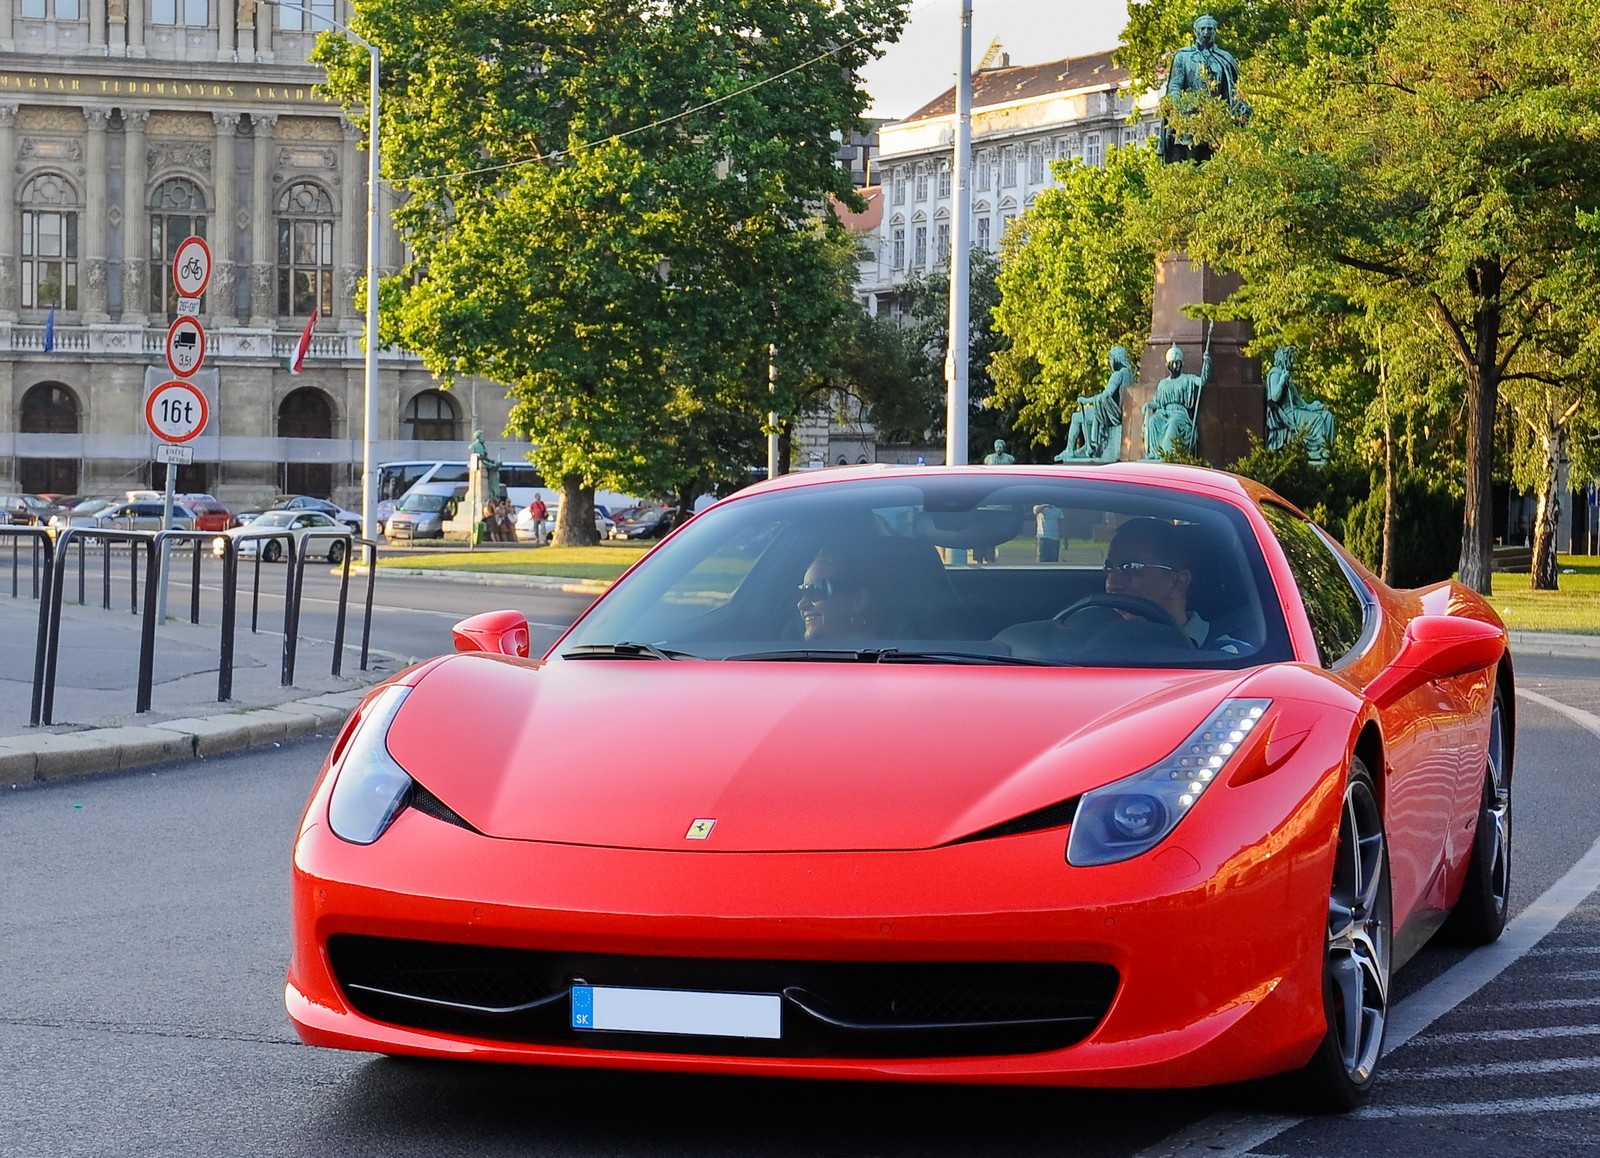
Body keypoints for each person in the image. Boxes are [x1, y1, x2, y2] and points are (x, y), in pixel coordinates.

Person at [1102, 517, 1243, 652]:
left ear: (1178, 584)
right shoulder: (1097, 641)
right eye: (1109, 568)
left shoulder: (1228, 656)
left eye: (1130, 567)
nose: (1111, 583)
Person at [1159, 13, 1248, 165]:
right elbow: (1175, 85)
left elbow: (1234, 90)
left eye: (1210, 29)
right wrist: (1177, 106)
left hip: (1218, 121)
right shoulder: (1183, 56)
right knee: (1190, 163)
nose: (1206, 32)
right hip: (1189, 120)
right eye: (1203, 29)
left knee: (1217, 166)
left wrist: (1241, 106)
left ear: (1215, 31)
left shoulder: (1224, 58)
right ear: (1196, 31)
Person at [1264, 346, 1336, 466]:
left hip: (1297, 409)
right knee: (1316, 419)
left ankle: (1327, 452)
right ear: (1285, 358)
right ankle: (1317, 454)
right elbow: (1274, 397)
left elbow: (1300, 402)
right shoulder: (1275, 373)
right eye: (1291, 358)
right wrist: (1282, 381)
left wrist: (1313, 406)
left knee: (1327, 416)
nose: (1293, 362)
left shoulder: (1286, 374)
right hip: (1286, 413)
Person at [1057, 346, 1131, 462]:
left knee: (1076, 417)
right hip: (1118, 411)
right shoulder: (1129, 374)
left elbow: (1106, 395)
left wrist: (1086, 400)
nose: (1110, 362)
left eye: (1111, 359)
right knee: (1086, 415)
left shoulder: (1117, 375)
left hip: (1110, 414)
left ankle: (1070, 450)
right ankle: (1087, 447)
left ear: (1116, 360)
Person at [795, 546, 876, 642]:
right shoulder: (794, 653)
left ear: (859, 601)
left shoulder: (887, 656)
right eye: (803, 592)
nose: (800, 604)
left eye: (816, 590)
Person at [1142, 343, 1208, 459]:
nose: (1174, 366)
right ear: (1167, 365)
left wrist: (1207, 363)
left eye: (1177, 363)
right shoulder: (1163, 383)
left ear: (1181, 364)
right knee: (1153, 421)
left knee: (1173, 423)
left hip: (1179, 413)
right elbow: (1158, 403)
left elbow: (1202, 381)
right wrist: (1148, 405)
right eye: (1171, 364)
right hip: (1164, 413)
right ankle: (1155, 454)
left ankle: (1168, 456)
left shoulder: (1187, 379)